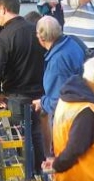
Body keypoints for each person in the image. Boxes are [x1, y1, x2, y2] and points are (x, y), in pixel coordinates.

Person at [0, 0, 46, 175]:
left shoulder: (4, 37)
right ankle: (40, 173)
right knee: (36, 134)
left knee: (21, 137)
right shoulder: (37, 30)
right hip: (40, 95)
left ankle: (28, 177)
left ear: (4, 9)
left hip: (17, 97)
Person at [32, 16, 86, 156]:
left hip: (69, 119)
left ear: (41, 37)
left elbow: (59, 101)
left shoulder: (57, 63)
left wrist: (42, 102)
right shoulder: (73, 41)